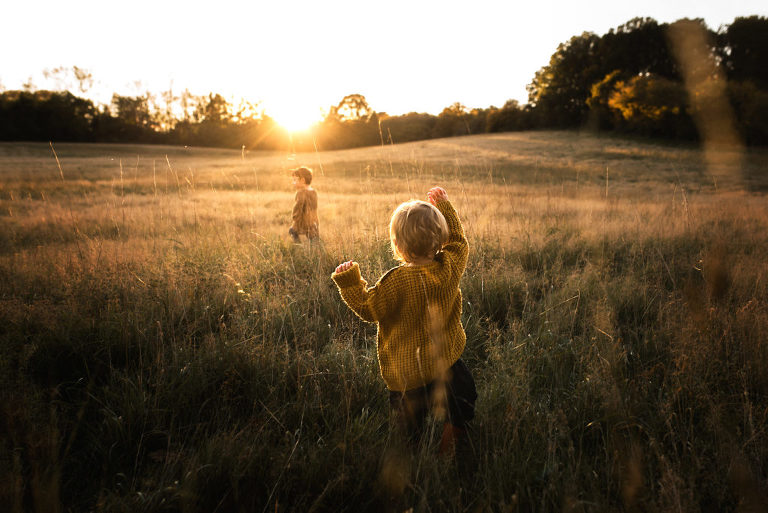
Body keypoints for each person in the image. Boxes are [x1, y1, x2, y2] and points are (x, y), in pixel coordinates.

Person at [331, 186, 477, 463]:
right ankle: (448, 450)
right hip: (446, 363)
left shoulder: (395, 282)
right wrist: (444, 207)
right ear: (440, 238)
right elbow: (460, 242)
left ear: (397, 245)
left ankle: (413, 461)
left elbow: (367, 308)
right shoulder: (449, 267)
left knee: (408, 428)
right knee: (463, 403)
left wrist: (350, 280)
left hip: (406, 374)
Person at [288, 166, 319, 243]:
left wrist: (295, 217)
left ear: (302, 180)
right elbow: (314, 207)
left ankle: (298, 246)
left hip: (302, 221)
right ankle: (315, 249)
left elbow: (298, 207)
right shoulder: (314, 192)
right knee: (312, 237)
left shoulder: (300, 193)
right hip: (313, 221)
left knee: (292, 231)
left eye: (295, 180)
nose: (293, 183)